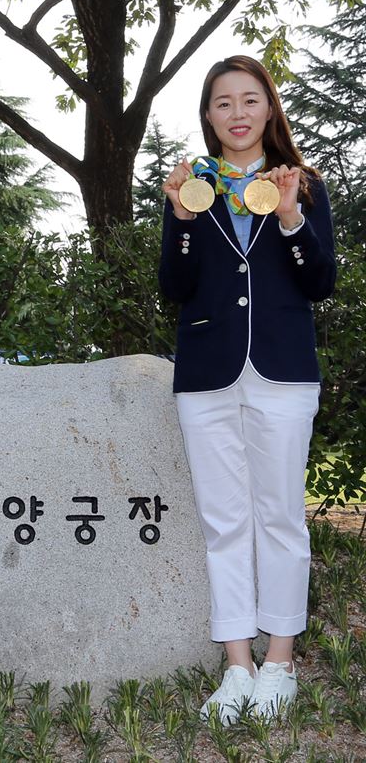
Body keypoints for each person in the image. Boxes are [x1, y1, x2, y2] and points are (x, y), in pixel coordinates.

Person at [158, 55, 336, 724]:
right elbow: (173, 288)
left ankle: (280, 661)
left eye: (250, 100)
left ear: (269, 108)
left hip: (283, 373)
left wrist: (290, 219)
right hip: (207, 375)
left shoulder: (304, 184)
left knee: (280, 518)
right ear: (208, 115)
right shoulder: (190, 187)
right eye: (223, 102)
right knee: (224, 522)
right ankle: (237, 666)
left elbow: (321, 282)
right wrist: (178, 218)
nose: (237, 113)